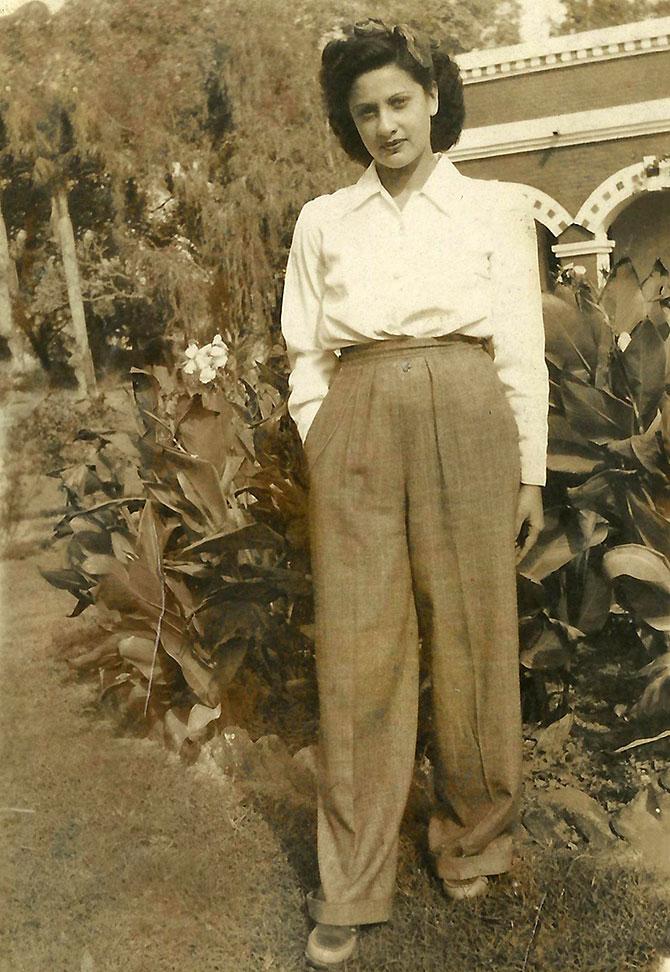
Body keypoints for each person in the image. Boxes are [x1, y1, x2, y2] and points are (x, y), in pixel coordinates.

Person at [280, 18, 548, 969]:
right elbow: (305, 352)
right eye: (365, 112)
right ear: (349, 125)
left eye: (398, 102)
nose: (384, 125)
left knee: (475, 634)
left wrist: (529, 470)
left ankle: (474, 837)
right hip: (359, 413)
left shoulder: (495, 210)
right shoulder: (324, 221)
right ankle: (352, 879)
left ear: (433, 99)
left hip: (470, 409)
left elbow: (520, 343)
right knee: (357, 649)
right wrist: (323, 434)